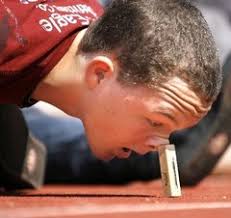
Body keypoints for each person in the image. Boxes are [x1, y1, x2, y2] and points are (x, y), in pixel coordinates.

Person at [0, 0, 222, 163]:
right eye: (156, 122)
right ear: (100, 74)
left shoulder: (102, 22)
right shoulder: (8, 40)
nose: (160, 146)